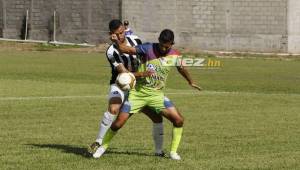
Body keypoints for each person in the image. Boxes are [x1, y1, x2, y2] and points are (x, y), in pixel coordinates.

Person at [93, 29, 202, 160]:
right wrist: (116, 41)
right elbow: (126, 49)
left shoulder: (175, 55)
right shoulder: (148, 48)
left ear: (172, 43)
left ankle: (173, 152)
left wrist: (191, 81)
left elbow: (181, 68)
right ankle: (102, 147)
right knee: (118, 123)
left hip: (157, 96)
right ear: (159, 40)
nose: (162, 48)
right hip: (137, 94)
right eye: (161, 44)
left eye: (166, 46)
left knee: (179, 120)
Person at [88, 19, 166, 158]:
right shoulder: (111, 51)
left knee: (156, 117)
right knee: (113, 108)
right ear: (111, 34)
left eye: (122, 32)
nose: (121, 36)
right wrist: (142, 73)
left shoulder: (135, 40)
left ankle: (159, 151)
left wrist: (149, 69)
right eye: (117, 34)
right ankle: (99, 141)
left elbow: (145, 57)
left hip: (139, 86)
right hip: (119, 84)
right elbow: (124, 75)